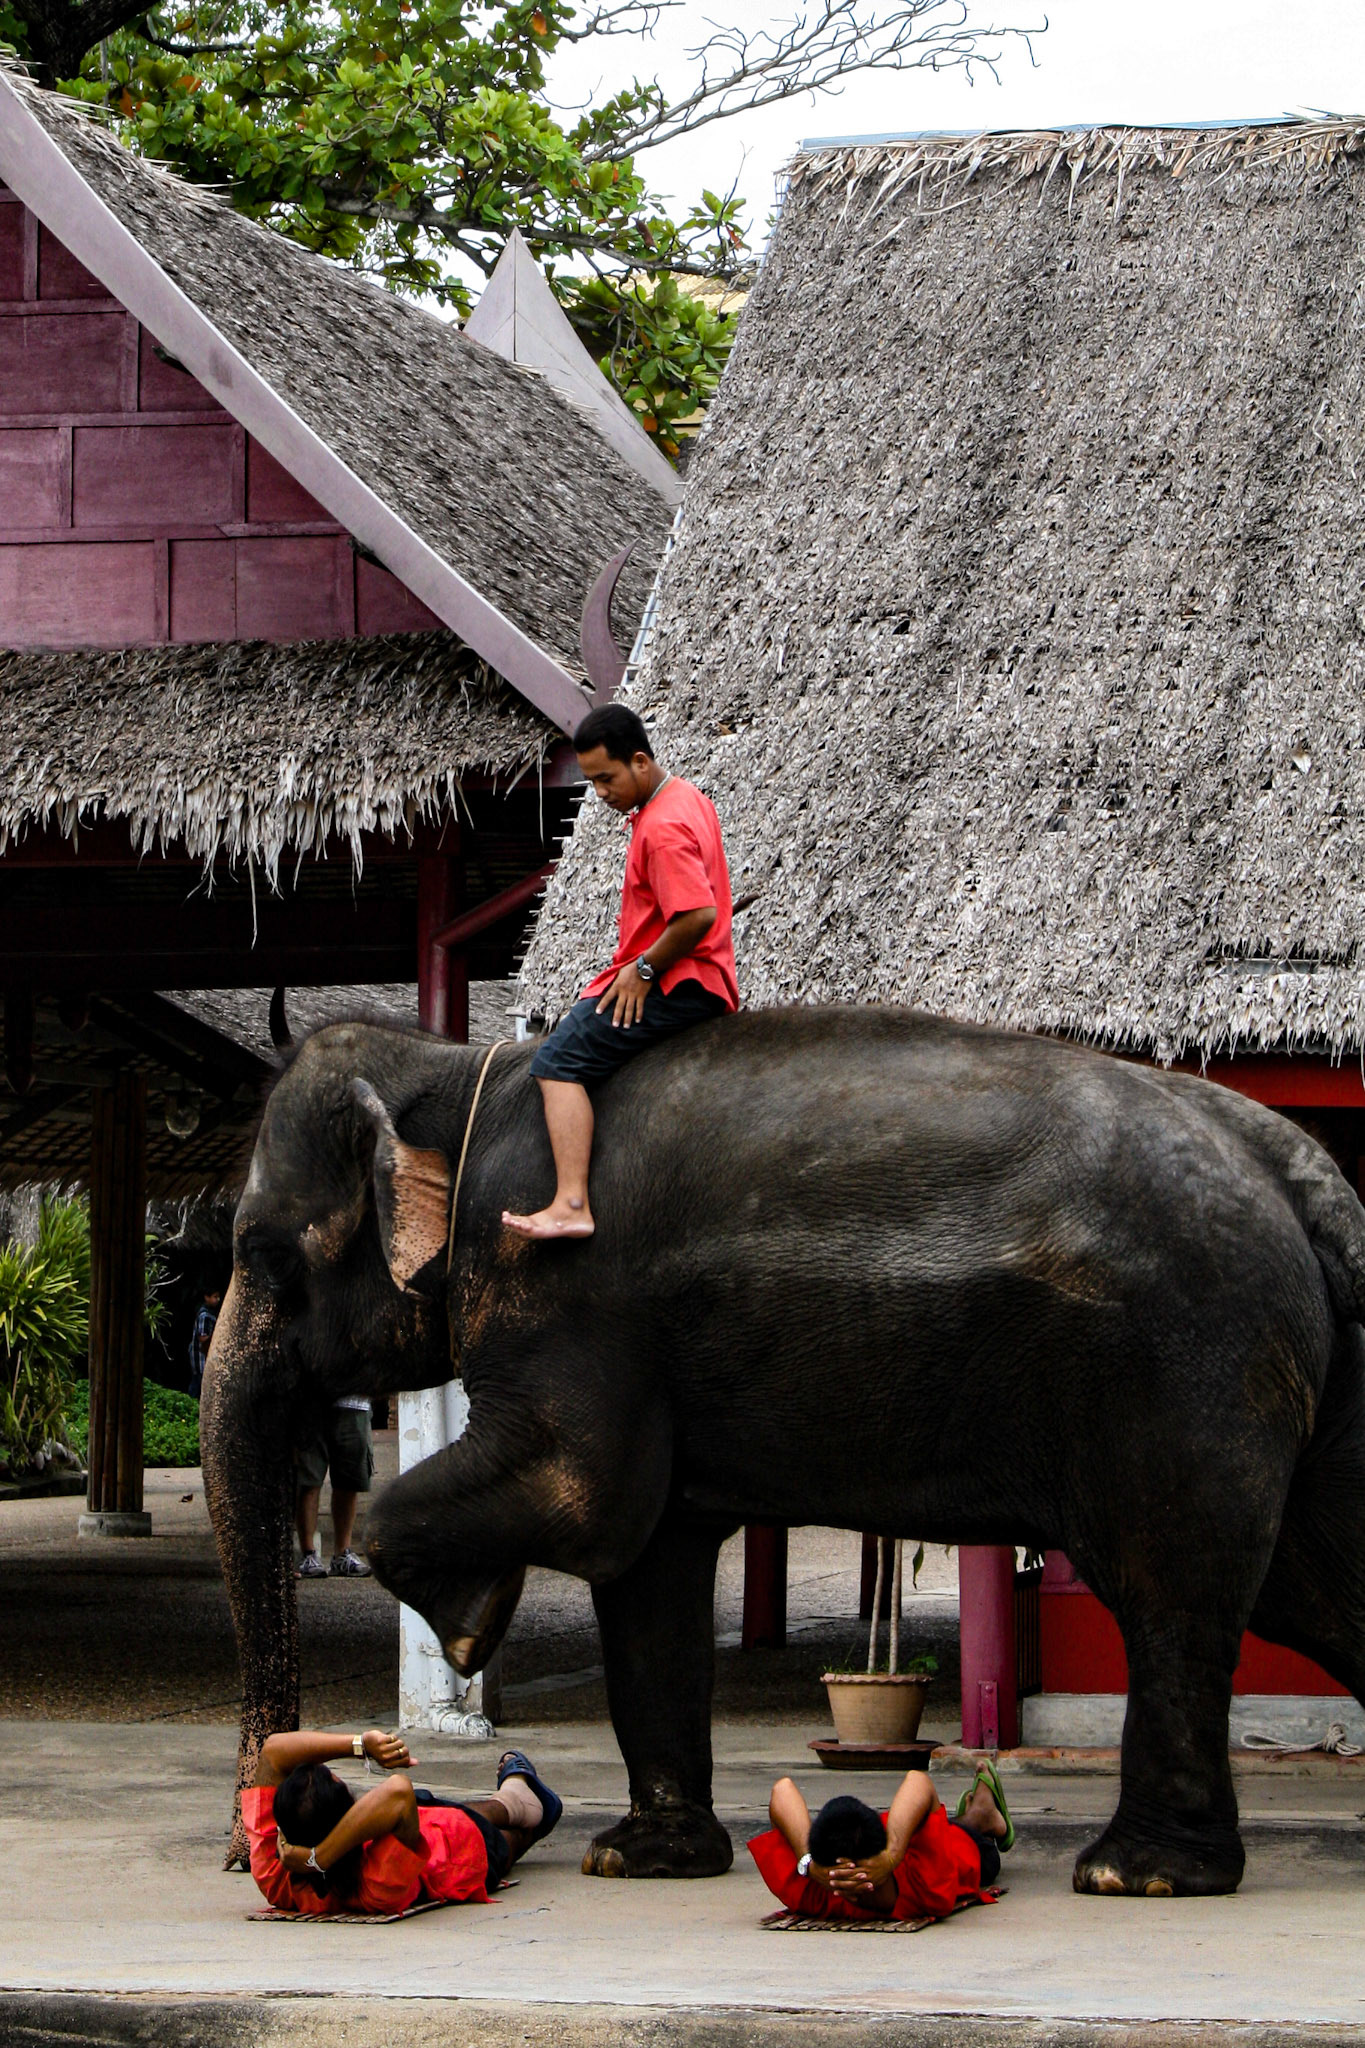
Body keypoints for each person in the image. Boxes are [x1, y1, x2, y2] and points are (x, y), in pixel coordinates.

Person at [503, 704, 739, 1241]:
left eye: (606, 778)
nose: (600, 792)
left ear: (639, 762)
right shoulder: (688, 798)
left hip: (680, 981)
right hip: (694, 976)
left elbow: (698, 914)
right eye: (591, 781)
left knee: (556, 1061)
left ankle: (570, 1203)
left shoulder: (662, 826)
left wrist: (645, 971)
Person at [244, 1727, 562, 1916]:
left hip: (410, 1818)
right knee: (513, 1833)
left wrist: (361, 1744)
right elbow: (397, 1791)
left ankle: (516, 1794)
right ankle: (525, 1799)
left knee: (463, 1808)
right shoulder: (373, 1885)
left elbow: (272, 1752)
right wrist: (319, 1858)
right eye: (336, 1780)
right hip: (459, 1849)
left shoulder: (274, 1872)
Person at [749, 1761, 1013, 1922]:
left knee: (946, 1826)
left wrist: (808, 1861)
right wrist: (891, 1856)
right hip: (957, 1846)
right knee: (958, 1829)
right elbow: (917, 1781)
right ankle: (982, 1816)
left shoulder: (812, 1892)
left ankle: (980, 1814)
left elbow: (782, 1790)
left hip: (926, 1834)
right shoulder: (926, 1890)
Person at [296, 1395, 375, 1578]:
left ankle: (343, 1553)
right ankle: (308, 1555)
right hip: (312, 1404)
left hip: (356, 1405)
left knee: (349, 1482)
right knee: (309, 1479)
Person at [187, 1286, 221, 1400]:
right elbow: (202, 1337)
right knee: (199, 1381)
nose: (217, 1299)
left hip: (204, 1354)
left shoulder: (210, 1313)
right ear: (207, 1298)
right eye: (214, 1297)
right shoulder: (204, 1315)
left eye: (218, 1297)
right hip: (199, 1354)